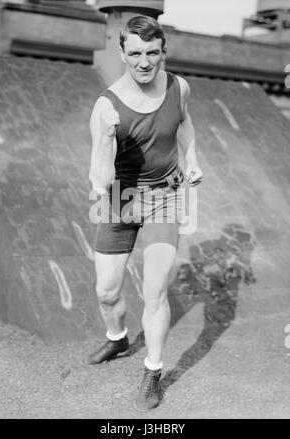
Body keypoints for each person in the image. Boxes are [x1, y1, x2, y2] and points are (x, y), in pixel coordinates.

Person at [88, 15, 203, 411]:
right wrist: (106, 139)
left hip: (165, 197)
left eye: (152, 53)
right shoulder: (106, 105)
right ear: (122, 53)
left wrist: (191, 159)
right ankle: (117, 336)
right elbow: (99, 180)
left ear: (162, 53)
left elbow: (184, 123)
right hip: (121, 195)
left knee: (154, 290)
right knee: (107, 291)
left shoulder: (178, 87)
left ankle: (152, 371)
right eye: (135, 53)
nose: (143, 62)